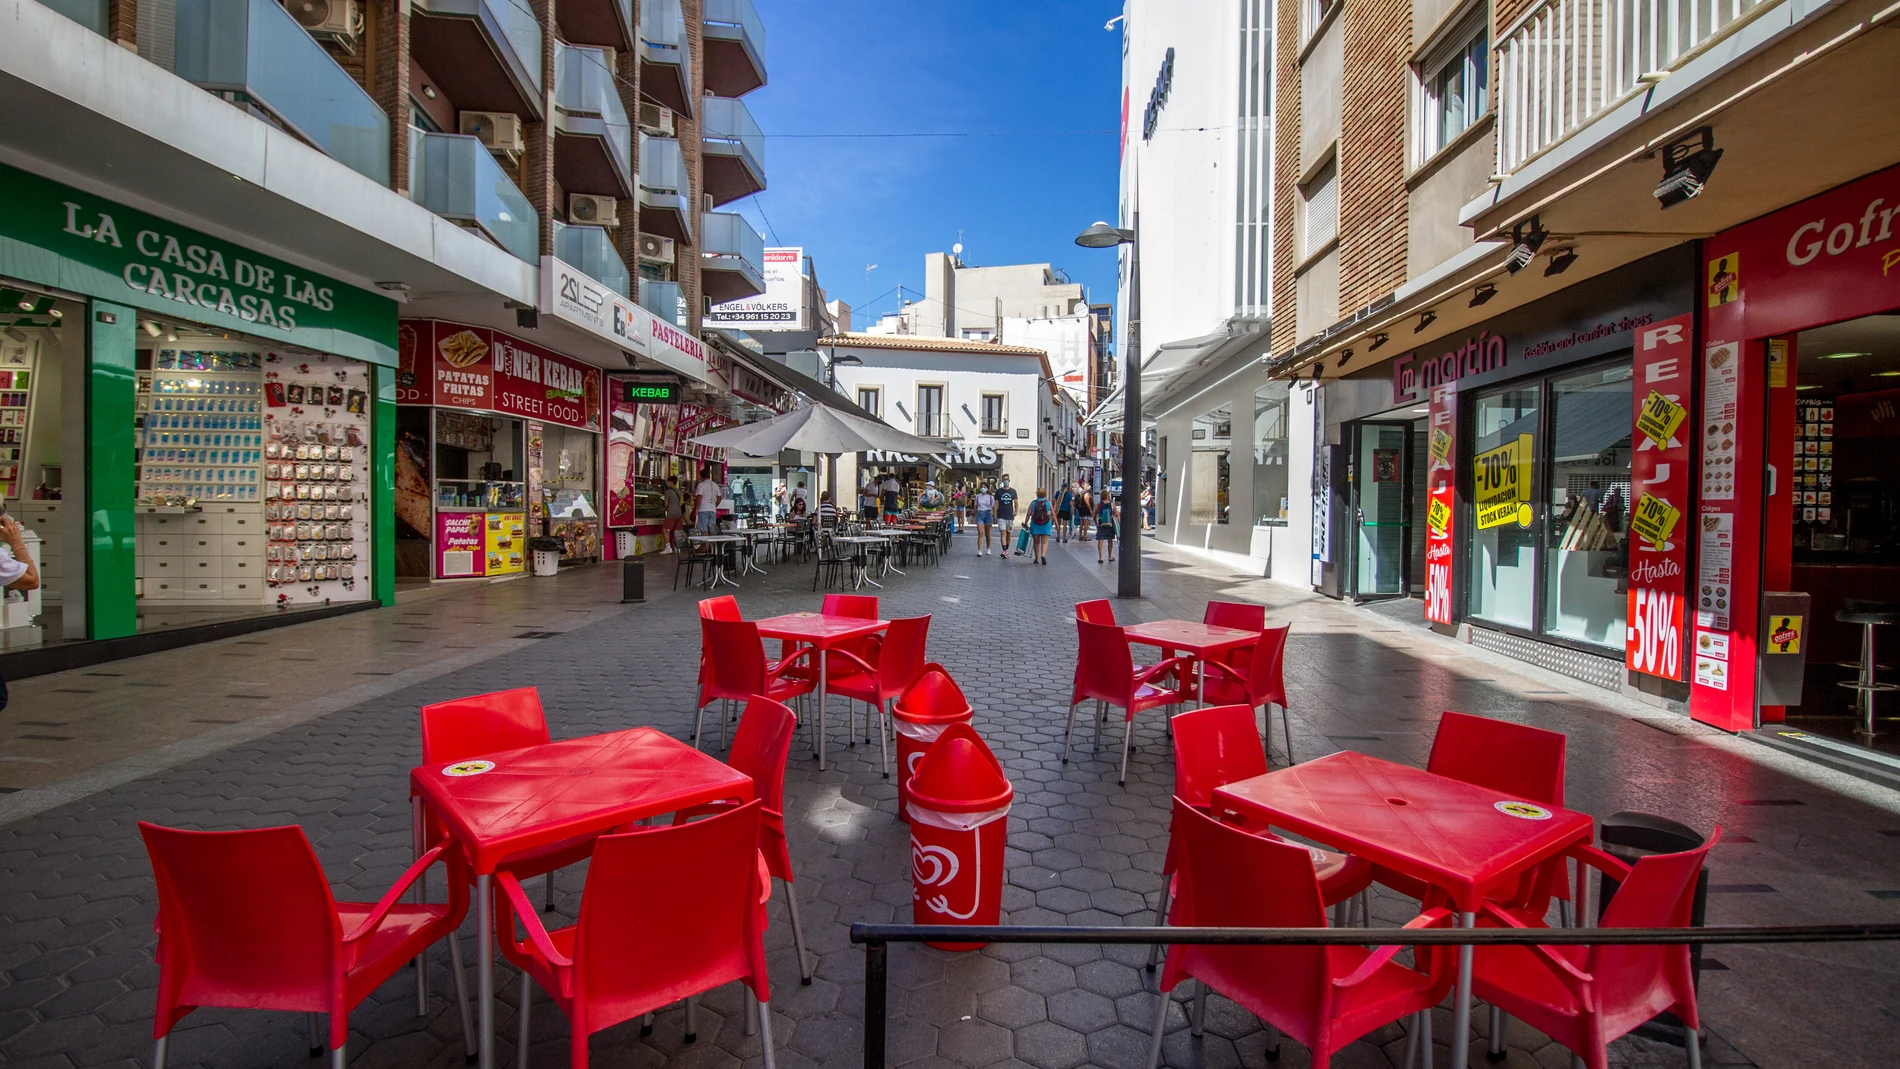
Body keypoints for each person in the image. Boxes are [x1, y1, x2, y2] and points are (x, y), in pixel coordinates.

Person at [1027, 487, 1054, 565]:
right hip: (1046, 524)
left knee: (1036, 542)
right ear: (1045, 494)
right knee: (1045, 542)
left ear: (1037, 494)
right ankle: (1043, 555)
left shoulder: (1033, 503)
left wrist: (1025, 522)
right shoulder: (1048, 503)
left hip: (1035, 524)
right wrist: (1056, 523)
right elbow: (1053, 513)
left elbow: (1028, 513)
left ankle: (1037, 558)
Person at [995, 475, 1018, 557]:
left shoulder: (1013, 491)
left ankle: (1006, 549)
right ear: (1002, 481)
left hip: (1010, 515)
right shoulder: (998, 492)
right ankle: (1004, 550)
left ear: (1009, 480)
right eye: (1004, 479)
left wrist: (1015, 511)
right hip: (1001, 515)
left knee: (1008, 533)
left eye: (1007, 479)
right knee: (1003, 532)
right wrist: (995, 514)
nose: (1005, 481)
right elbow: (996, 503)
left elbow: (1016, 502)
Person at [660, 474, 685, 553]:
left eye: (668, 481)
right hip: (679, 513)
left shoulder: (668, 491)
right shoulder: (678, 491)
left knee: (664, 529)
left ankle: (668, 547)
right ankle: (677, 548)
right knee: (676, 531)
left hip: (671, 513)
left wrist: (666, 509)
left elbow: (666, 504)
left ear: (671, 482)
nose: (667, 483)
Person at [694, 466, 721, 534]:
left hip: (703, 509)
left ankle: (705, 544)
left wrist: (696, 508)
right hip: (713, 510)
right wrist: (715, 505)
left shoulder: (701, 485)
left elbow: (699, 496)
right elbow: (720, 497)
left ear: (701, 476)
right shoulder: (715, 485)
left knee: (704, 530)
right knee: (711, 530)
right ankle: (710, 544)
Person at [973, 483, 997, 556]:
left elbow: (994, 507)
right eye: (981, 487)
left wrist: (995, 516)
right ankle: (980, 550)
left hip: (988, 514)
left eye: (984, 487)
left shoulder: (990, 497)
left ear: (987, 488)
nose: (983, 488)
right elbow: (976, 506)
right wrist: (974, 515)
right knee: (980, 533)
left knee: (988, 534)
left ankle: (988, 548)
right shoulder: (977, 496)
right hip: (980, 514)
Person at [1095, 493, 1118, 565]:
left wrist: (1096, 524)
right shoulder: (1112, 504)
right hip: (1110, 524)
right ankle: (1110, 556)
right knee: (1110, 540)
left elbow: (1095, 515)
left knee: (1100, 540)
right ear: (1108, 496)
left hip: (1101, 524)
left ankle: (1101, 557)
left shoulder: (1099, 504)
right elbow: (1117, 514)